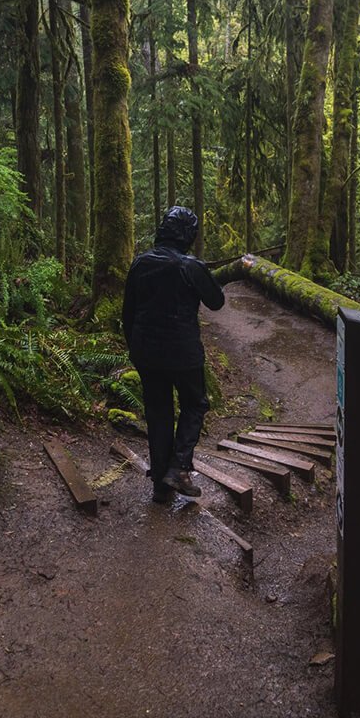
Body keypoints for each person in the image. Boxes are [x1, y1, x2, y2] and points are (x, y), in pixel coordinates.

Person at [121, 206, 226, 504]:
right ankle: (178, 467)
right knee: (195, 404)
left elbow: (127, 311)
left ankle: (160, 485)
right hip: (183, 353)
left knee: (158, 412)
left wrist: (134, 346)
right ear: (187, 234)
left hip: (146, 352)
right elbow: (216, 301)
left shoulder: (140, 263)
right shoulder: (190, 266)